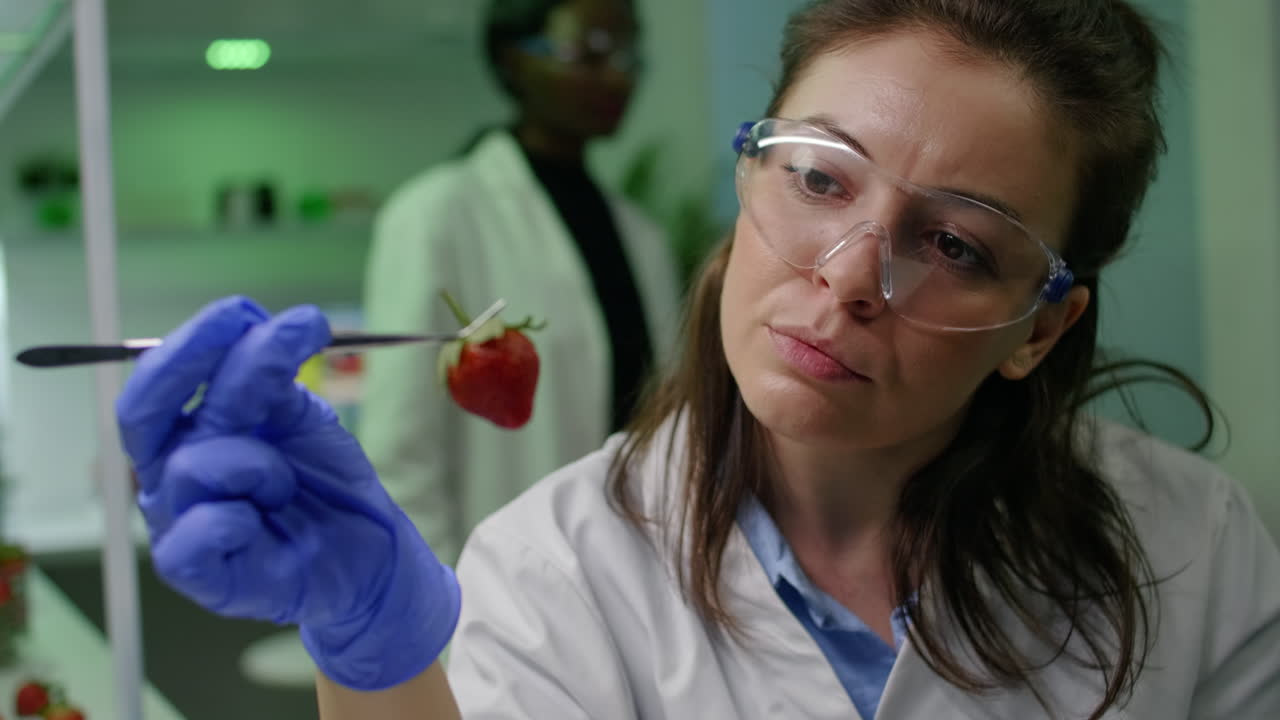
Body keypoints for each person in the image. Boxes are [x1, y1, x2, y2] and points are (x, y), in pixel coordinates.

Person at [116, 1, 1280, 718]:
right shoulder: (548, 573)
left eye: (957, 243)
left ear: (1037, 326)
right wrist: (370, 652)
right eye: (819, 177)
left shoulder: (1196, 546)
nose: (844, 279)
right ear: (748, 176)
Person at [359, 0, 681, 566]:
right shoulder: (437, 215)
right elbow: (400, 453)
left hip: (630, 574)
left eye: (630, 54)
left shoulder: (640, 237)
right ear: (511, 60)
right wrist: (442, 622)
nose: (618, 74)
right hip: (492, 591)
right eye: (591, 51)